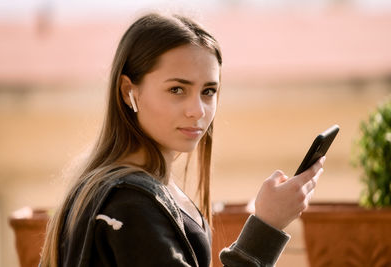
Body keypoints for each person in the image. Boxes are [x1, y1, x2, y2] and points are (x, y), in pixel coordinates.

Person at [40, 12, 325, 267]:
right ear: (129, 91)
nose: (197, 110)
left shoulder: (123, 190)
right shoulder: (130, 204)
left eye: (209, 91)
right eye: (177, 89)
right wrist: (266, 226)